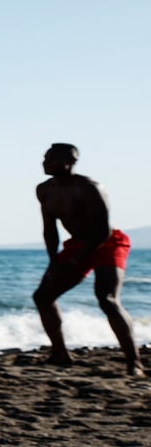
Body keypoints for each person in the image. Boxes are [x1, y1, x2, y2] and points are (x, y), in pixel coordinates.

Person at [32, 143, 144, 377]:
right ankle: (59, 353)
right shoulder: (44, 190)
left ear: (69, 162)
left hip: (108, 242)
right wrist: (54, 261)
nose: (45, 162)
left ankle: (134, 363)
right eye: (45, 158)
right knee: (43, 296)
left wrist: (79, 259)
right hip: (77, 244)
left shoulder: (90, 187)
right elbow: (49, 229)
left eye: (51, 158)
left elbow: (102, 231)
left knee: (107, 299)